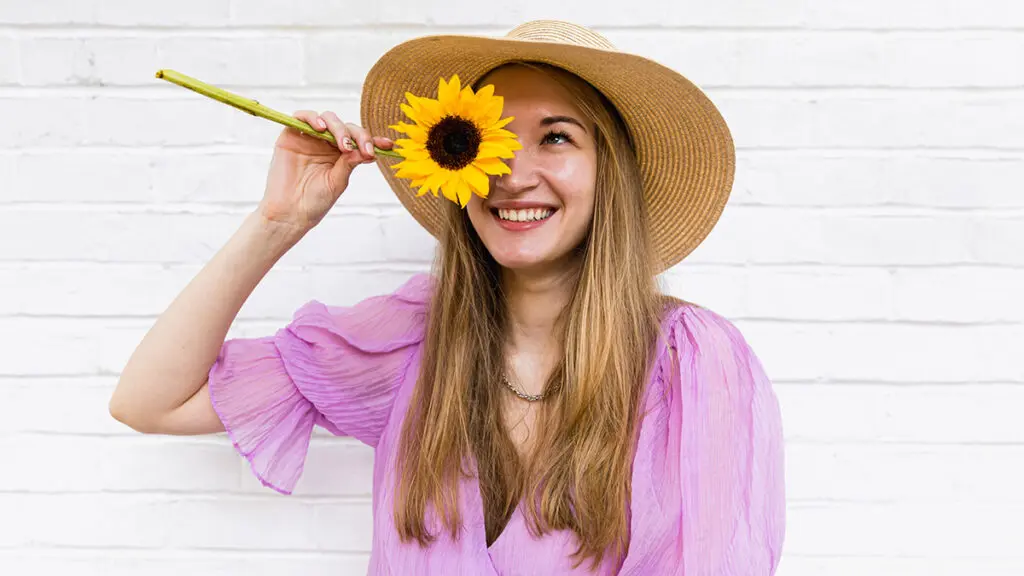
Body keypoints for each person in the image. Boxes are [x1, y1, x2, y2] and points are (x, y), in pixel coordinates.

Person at [110, 20, 785, 575]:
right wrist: (278, 223)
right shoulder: (407, 345)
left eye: (556, 136)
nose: (512, 175)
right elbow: (150, 401)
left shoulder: (692, 362)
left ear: (612, 171)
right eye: (483, 143)